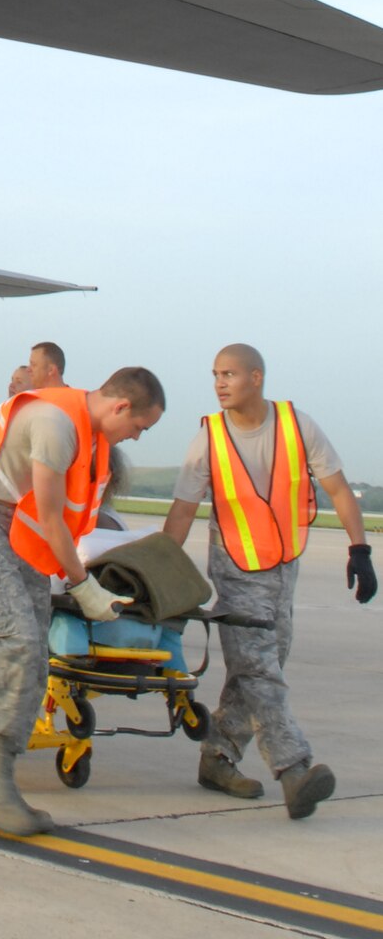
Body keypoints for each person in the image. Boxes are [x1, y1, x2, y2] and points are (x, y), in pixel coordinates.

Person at [0, 366, 165, 836]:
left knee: (36, 657)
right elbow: (49, 514)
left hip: (14, 526)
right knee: (15, 643)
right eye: (140, 427)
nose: (137, 437)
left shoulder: (92, 437)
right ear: (121, 406)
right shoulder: (56, 424)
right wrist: (84, 586)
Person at [163, 343, 375, 819]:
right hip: (236, 571)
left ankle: (218, 759)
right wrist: (159, 572)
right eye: (215, 374)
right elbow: (181, 512)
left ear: (256, 378)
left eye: (230, 374)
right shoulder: (209, 438)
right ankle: (294, 769)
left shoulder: (297, 425)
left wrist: (360, 549)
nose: (219, 383)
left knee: (260, 667)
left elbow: (338, 487)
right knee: (261, 672)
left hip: (284, 568)